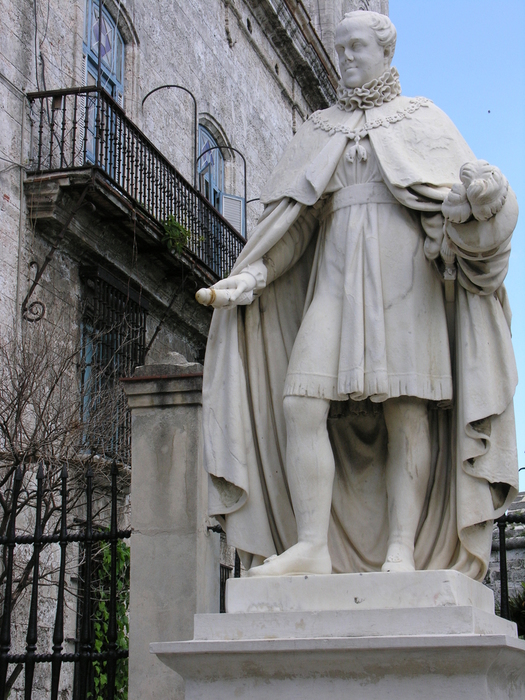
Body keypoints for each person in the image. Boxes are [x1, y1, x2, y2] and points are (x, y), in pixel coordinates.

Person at [197, 11, 519, 580]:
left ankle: (402, 549)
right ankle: (311, 545)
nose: (345, 57)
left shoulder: (424, 119)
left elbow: (466, 215)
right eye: (339, 47)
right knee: (300, 403)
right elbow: (296, 223)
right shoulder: (319, 129)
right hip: (334, 284)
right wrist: (256, 274)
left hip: (407, 285)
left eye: (357, 47)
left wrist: (480, 202)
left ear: (386, 52)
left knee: (406, 413)